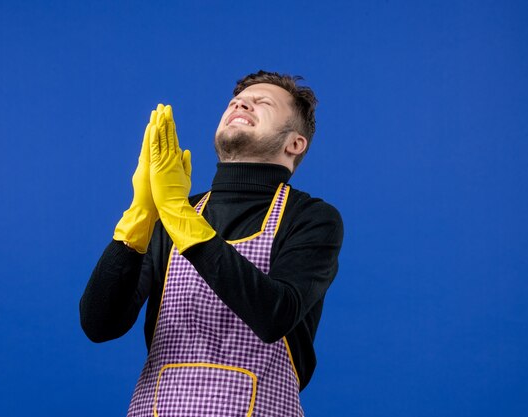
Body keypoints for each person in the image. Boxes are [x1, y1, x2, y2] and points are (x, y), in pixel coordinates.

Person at [80, 70, 344, 416]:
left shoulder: (311, 218)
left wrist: (178, 214)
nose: (242, 102)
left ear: (294, 143)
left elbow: (274, 314)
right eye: (236, 101)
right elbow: (100, 325)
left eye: (262, 103)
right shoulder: (174, 215)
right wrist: (141, 215)